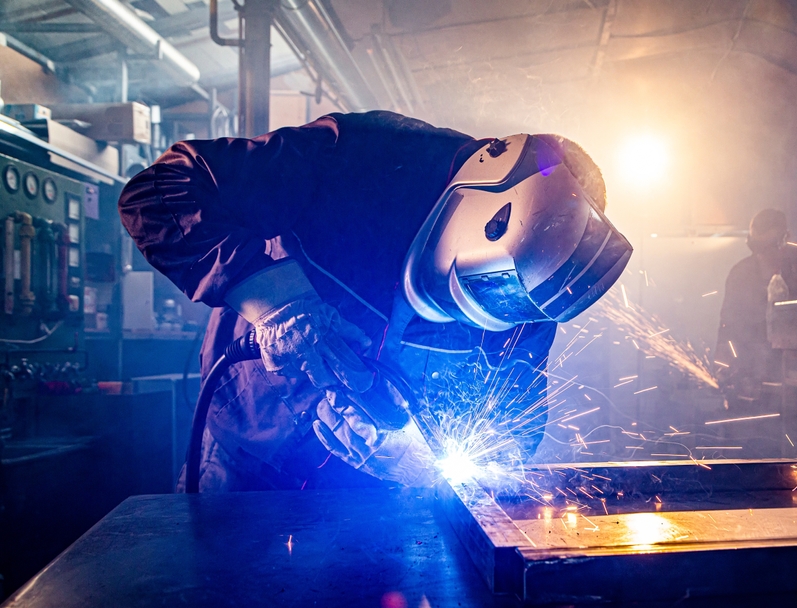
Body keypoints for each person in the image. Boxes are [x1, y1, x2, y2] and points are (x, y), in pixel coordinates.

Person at [119, 111, 631, 492]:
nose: (480, 312)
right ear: (481, 211)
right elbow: (159, 193)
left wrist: (421, 467)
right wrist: (276, 303)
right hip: (249, 455)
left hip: (376, 494)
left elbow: (509, 426)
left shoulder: (538, 279)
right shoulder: (360, 159)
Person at [715, 208, 797, 401]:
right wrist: (722, 368)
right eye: (755, 246)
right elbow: (727, 326)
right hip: (750, 382)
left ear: (785, 239)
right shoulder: (740, 275)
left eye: (767, 247)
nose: (761, 254)